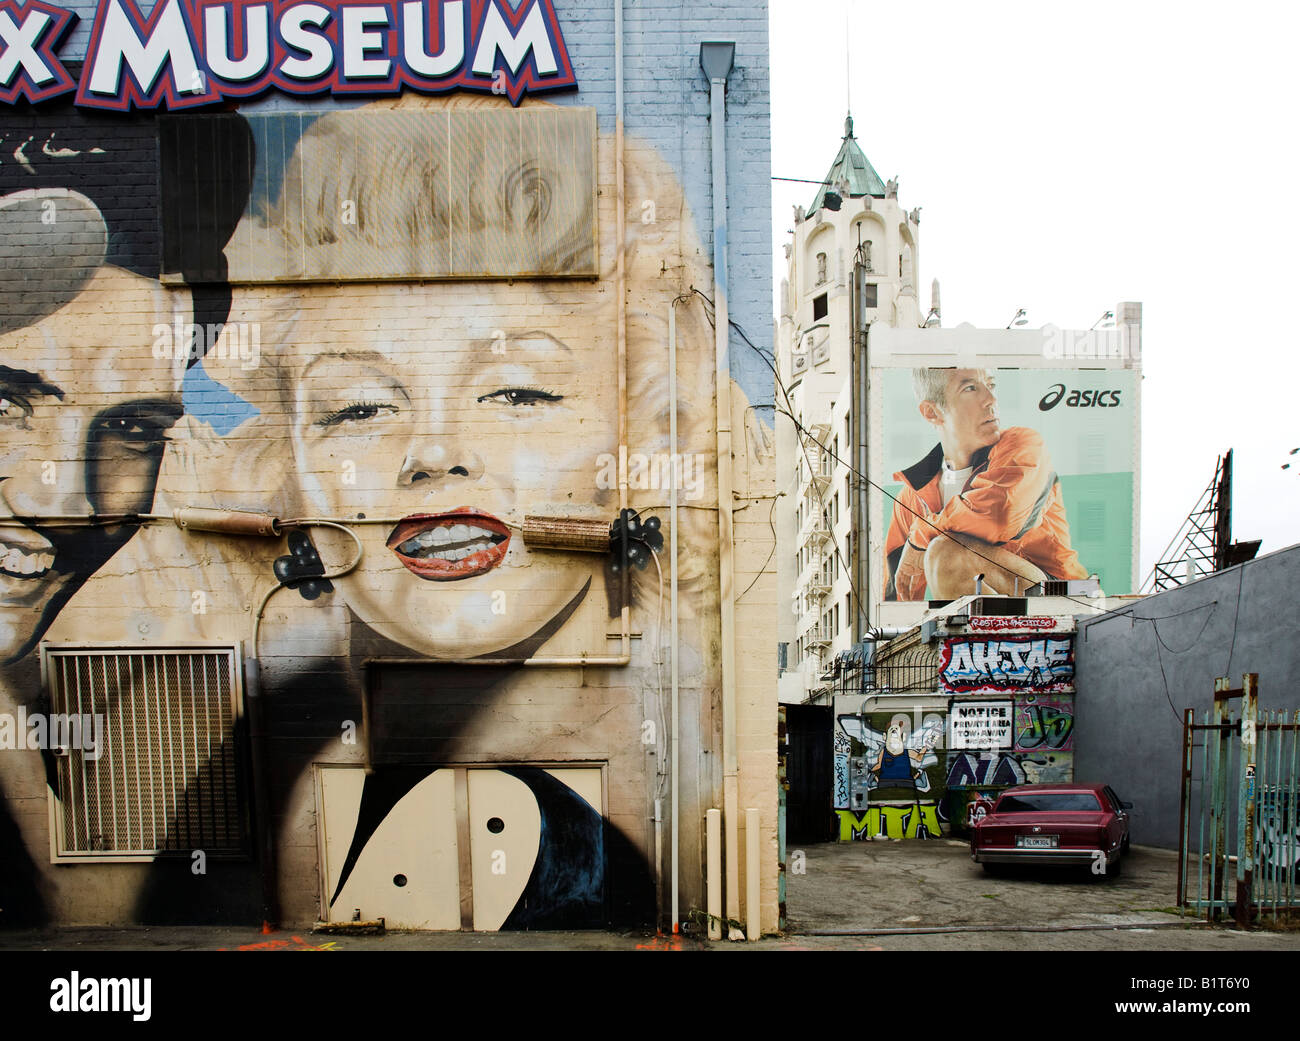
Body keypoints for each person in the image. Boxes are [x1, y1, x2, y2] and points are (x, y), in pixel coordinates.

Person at [884, 367, 1086, 601]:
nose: (991, 400)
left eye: (991, 385)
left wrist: (921, 536)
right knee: (942, 555)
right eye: (970, 388)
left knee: (946, 553)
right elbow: (898, 593)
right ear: (931, 412)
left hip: (1060, 597)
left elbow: (997, 517)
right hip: (990, 615)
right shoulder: (910, 498)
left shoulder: (1024, 446)